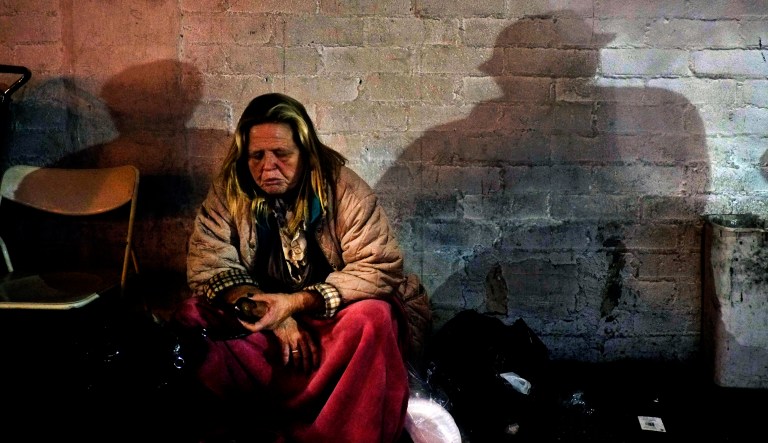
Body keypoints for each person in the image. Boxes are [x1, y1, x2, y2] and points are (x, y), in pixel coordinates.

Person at [172, 92, 427, 442]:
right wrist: (273, 314)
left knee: (374, 318)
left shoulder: (344, 189)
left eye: (282, 154)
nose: (268, 167)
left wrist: (294, 304)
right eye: (257, 156)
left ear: (305, 153)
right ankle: (246, 425)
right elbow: (209, 264)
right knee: (192, 315)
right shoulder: (229, 193)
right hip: (267, 327)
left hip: (329, 325)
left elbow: (378, 267)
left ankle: (338, 430)